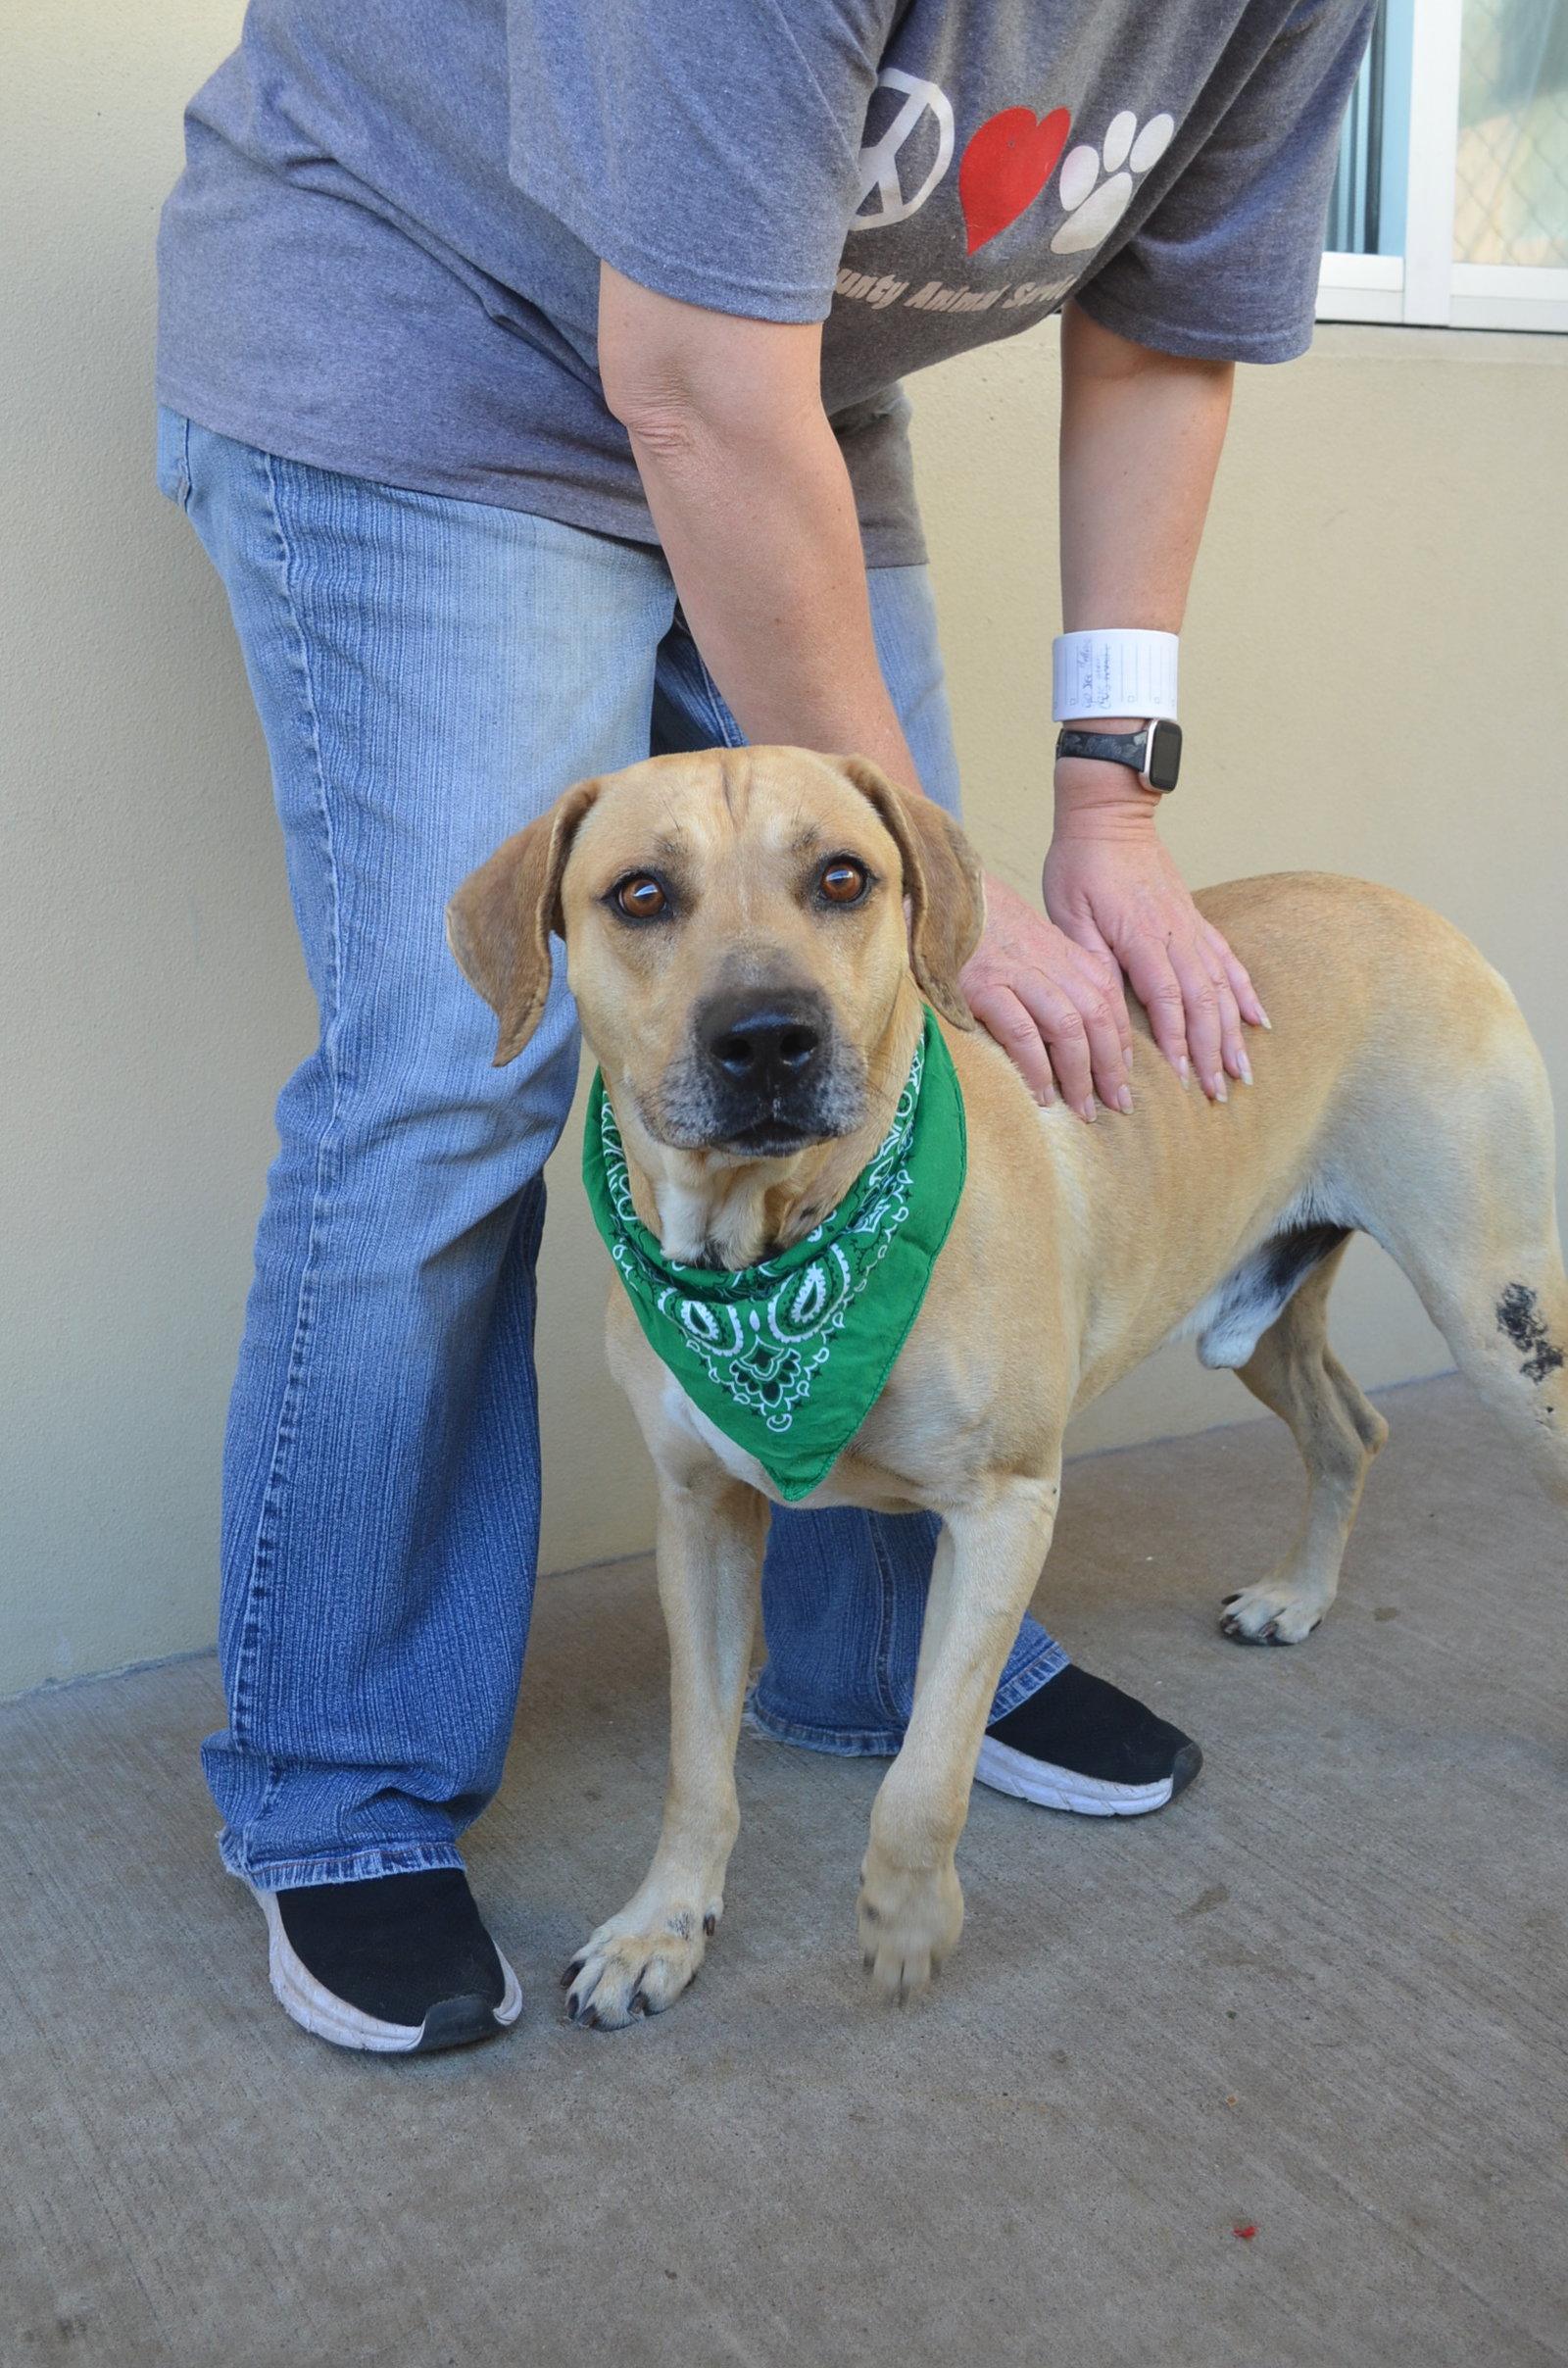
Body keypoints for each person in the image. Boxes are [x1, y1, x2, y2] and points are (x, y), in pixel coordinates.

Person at [156, 0, 1374, 2052]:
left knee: (877, 1051)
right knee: (452, 1082)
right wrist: (926, 885)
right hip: (425, 332)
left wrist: (1103, 810)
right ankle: (344, 1791)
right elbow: (682, 382)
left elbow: (1165, 327)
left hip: (777, 379)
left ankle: (881, 1639)